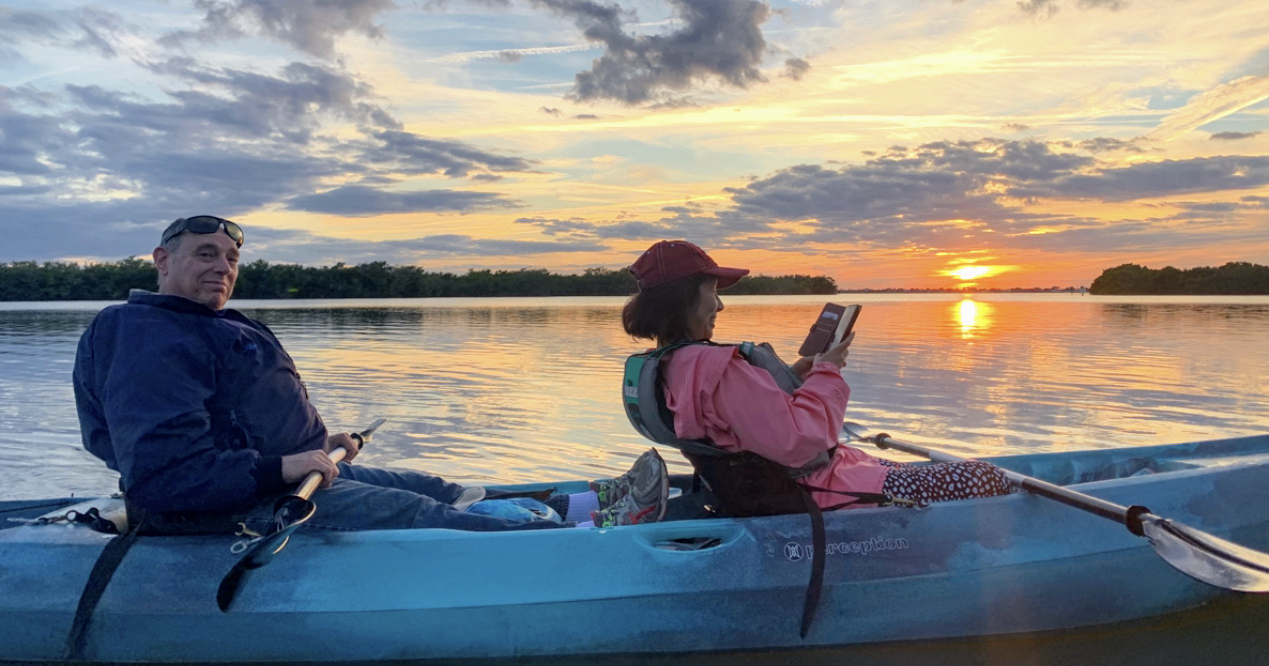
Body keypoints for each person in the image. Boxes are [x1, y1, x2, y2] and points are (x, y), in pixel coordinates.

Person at [73, 215, 667, 534]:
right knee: (423, 517)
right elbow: (162, 475)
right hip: (233, 506)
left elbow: (238, 413)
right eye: (206, 254)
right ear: (162, 260)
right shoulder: (148, 336)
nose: (223, 268)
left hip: (283, 476)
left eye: (231, 259)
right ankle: (594, 538)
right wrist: (282, 466)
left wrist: (313, 444)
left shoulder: (200, 324)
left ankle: (588, 503)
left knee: (436, 487)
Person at [620, 240, 1013, 511]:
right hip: (816, 491)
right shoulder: (717, 367)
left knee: (911, 471)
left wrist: (796, 374)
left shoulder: (672, 363)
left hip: (780, 485)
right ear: (685, 297)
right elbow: (801, 443)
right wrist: (828, 370)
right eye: (711, 291)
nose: (719, 304)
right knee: (986, 476)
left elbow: (733, 419)